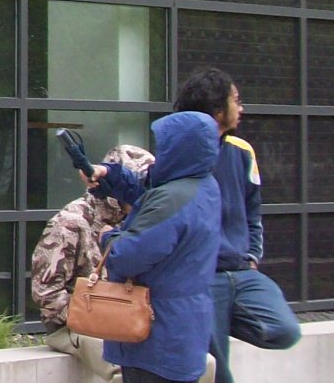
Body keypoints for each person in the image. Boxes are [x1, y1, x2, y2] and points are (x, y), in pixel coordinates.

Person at [95, 69, 302, 382]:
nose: (242, 107)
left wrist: (252, 255)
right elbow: (148, 196)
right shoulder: (180, 168)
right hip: (201, 278)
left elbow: (252, 208)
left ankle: (208, 319)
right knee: (216, 368)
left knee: (283, 329)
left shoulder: (238, 154)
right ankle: (207, 320)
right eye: (237, 100)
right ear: (218, 110)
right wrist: (108, 177)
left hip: (237, 271)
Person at [93, 111, 223, 383]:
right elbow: (150, 195)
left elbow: (128, 257)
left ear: (179, 148)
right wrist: (110, 175)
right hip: (183, 330)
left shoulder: (171, 200)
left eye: (164, 146)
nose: (158, 153)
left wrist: (108, 237)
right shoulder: (204, 186)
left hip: (155, 337)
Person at [33, 144, 174, 382]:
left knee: (200, 365)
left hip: (132, 316)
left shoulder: (143, 221)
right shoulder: (71, 222)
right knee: (125, 371)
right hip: (75, 323)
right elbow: (45, 292)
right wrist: (99, 315)